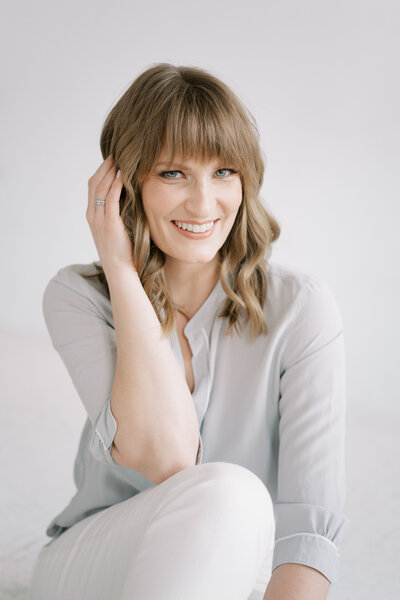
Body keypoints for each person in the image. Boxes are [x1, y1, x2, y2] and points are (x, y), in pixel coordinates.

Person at [28, 63, 350, 600]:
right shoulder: (79, 296)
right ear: (124, 181)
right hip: (94, 556)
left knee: (239, 507)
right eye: (173, 173)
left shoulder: (301, 308)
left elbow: (307, 531)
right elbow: (167, 454)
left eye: (223, 172)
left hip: (238, 565)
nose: (204, 204)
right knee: (230, 491)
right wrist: (120, 267)